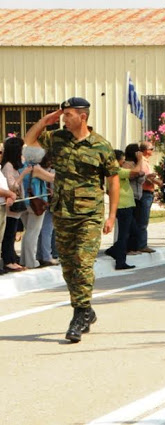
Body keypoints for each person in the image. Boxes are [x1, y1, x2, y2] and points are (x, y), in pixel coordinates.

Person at [24, 97, 120, 343]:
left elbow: (113, 180)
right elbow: (29, 140)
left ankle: (79, 314)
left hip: (89, 214)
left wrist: (111, 215)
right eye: (63, 115)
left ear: (83, 116)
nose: (64, 119)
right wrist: (46, 120)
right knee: (68, 267)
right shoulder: (57, 138)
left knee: (83, 263)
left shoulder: (101, 146)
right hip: (63, 212)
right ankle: (87, 309)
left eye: (68, 114)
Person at [105, 149, 144, 270]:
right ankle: (120, 261)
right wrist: (140, 159)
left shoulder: (116, 170)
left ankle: (114, 250)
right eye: (122, 159)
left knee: (135, 232)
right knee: (124, 234)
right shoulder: (116, 171)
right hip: (123, 206)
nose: (124, 161)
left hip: (126, 205)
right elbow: (136, 171)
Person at [21, 146, 55, 269]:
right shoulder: (36, 168)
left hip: (24, 201)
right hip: (36, 202)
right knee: (33, 233)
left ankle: (24, 260)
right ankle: (31, 261)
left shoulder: (23, 166)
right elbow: (52, 178)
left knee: (27, 232)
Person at [1, 137, 30, 272]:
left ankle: (12, 258)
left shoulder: (13, 165)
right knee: (9, 234)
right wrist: (23, 174)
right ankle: (8, 260)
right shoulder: (7, 166)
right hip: (11, 207)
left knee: (12, 233)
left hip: (16, 206)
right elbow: (11, 186)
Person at [135, 141, 161, 254]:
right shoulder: (143, 163)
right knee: (143, 220)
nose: (152, 151)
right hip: (145, 192)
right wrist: (158, 181)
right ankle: (141, 244)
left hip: (147, 192)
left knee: (142, 220)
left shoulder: (146, 162)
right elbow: (146, 178)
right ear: (146, 150)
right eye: (151, 148)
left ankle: (140, 243)